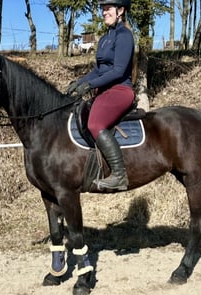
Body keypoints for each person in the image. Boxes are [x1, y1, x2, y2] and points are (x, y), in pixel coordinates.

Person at [66, 0, 134, 191]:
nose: (104, 12)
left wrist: (90, 85)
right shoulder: (105, 39)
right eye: (103, 9)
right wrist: (79, 83)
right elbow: (98, 70)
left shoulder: (125, 36)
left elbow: (119, 71)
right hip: (104, 90)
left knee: (95, 124)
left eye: (108, 9)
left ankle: (119, 175)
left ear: (120, 10)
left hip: (120, 90)